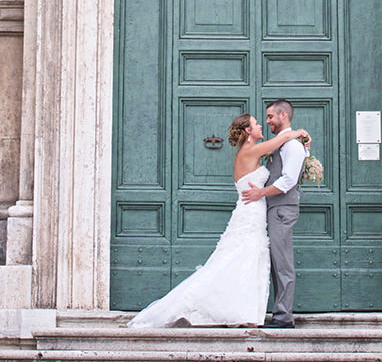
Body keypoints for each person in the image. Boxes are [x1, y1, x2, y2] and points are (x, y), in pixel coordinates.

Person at [127, 112, 309, 328]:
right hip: (250, 214)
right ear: (247, 131)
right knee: (245, 258)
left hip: (255, 213)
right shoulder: (250, 150)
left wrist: (303, 148)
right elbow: (279, 141)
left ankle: (246, 313)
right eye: (256, 124)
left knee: (248, 261)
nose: (261, 125)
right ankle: (243, 313)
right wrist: (296, 133)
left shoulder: (252, 152)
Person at [242, 99, 307, 329]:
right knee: (276, 262)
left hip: (282, 209)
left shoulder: (292, 146)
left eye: (270, 116)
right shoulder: (284, 143)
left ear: (283, 115)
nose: (268, 120)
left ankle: (283, 316)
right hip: (275, 209)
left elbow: (288, 180)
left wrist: (261, 193)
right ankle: (279, 312)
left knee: (283, 263)